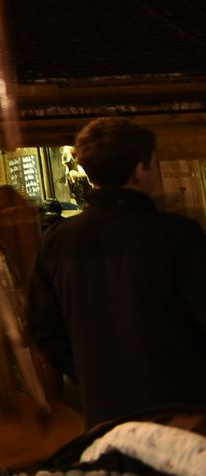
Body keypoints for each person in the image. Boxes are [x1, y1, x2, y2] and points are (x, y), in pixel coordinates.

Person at [26, 117, 206, 426]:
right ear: (140, 169)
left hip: (104, 407)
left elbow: (43, 326)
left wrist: (88, 370)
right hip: (182, 407)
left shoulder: (57, 240)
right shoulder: (178, 235)